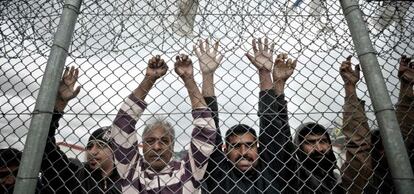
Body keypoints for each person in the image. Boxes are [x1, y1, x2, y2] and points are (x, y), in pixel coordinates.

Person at [200, 38, 296, 193]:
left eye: (250, 145)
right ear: (225, 151)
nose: (244, 152)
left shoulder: (270, 170)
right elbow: (209, 125)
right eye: (236, 146)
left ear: (258, 148)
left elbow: (270, 122)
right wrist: (207, 75)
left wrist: (264, 72)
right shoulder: (219, 174)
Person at [110, 54, 217, 193]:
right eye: (150, 141)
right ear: (142, 145)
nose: (157, 147)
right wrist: (149, 79)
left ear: (172, 146)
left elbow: (206, 130)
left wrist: (188, 79)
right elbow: (122, 124)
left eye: (164, 141)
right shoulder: (131, 170)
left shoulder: (188, 172)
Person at [41, 66, 121, 193]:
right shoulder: (74, 175)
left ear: (115, 151)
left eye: (100, 145)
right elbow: (43, 145)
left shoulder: (130, 181)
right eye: (89, 146)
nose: (92, 152)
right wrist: (60, 103)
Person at [341, 55, 414, 193]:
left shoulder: (405, 167)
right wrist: (349, 88)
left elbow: (403, 133)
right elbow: (358, 144)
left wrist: (407, 86)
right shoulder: (367, 180)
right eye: (378, 148)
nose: (384, 152)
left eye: (385, 146)